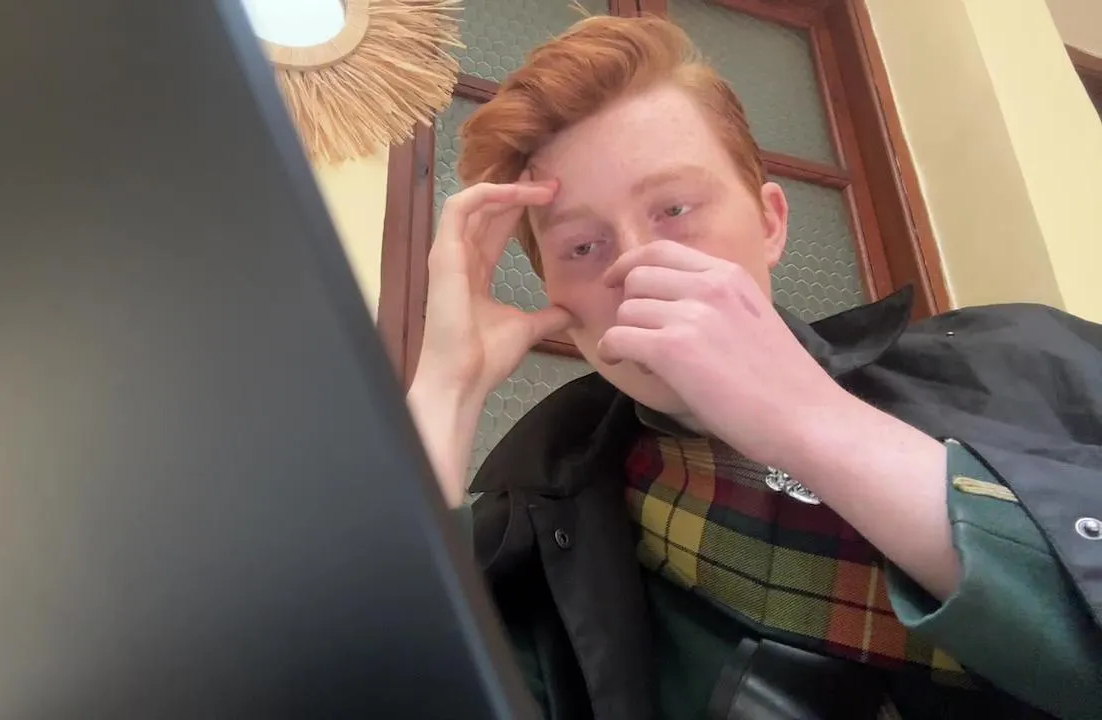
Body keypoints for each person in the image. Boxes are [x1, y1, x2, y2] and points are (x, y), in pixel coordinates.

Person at [405, 13, 1102, 720]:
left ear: (771, 223)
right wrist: (446, 386)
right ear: (555, 294)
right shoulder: (528, 538)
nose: (635, 266)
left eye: (675, 208)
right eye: (582, 247)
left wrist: (808, 418)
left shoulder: (1031, 358)